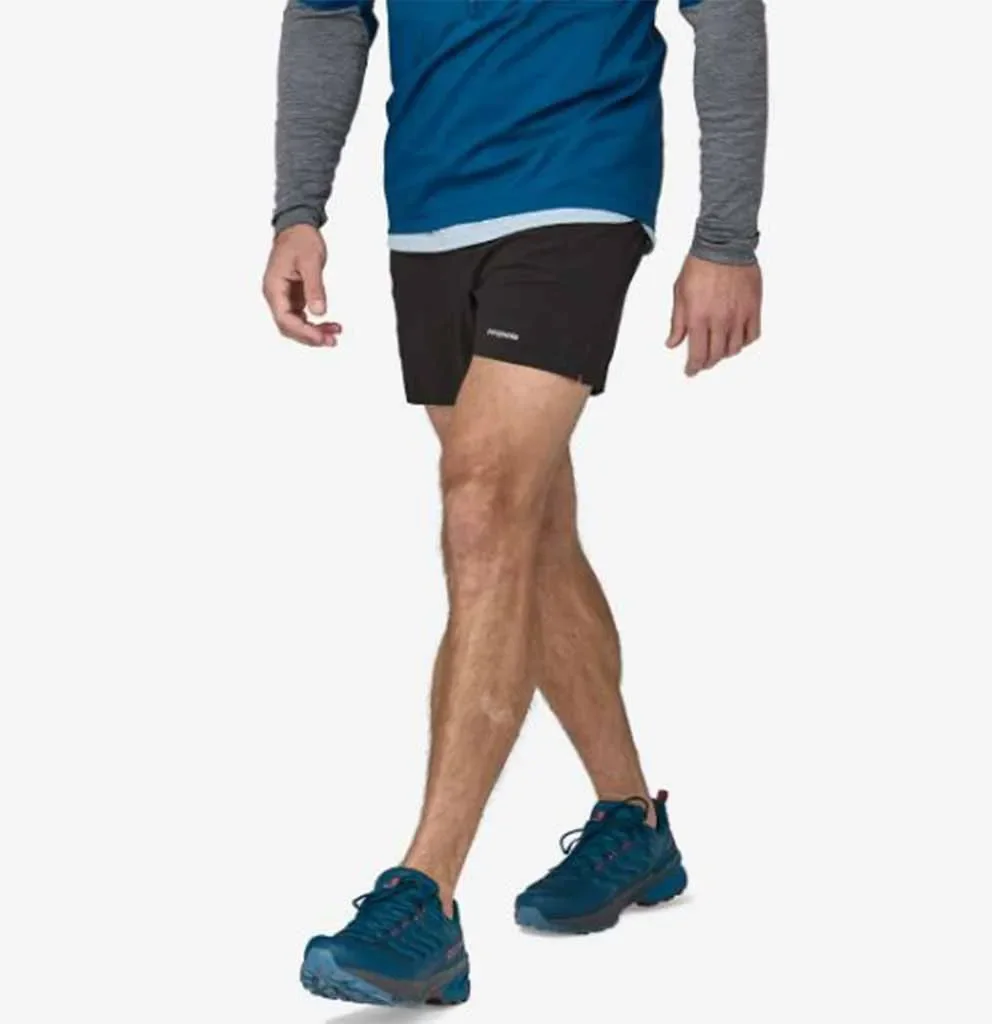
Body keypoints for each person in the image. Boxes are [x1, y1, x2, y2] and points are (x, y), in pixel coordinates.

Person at [264, 0, 767, 1008]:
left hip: (579, 182)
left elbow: (728, 14)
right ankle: (632, 824)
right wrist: (297, 208)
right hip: (430, 204)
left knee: (481, 507)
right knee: (528, 525)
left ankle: (425, 896)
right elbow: (326, 16)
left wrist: (726, 235)